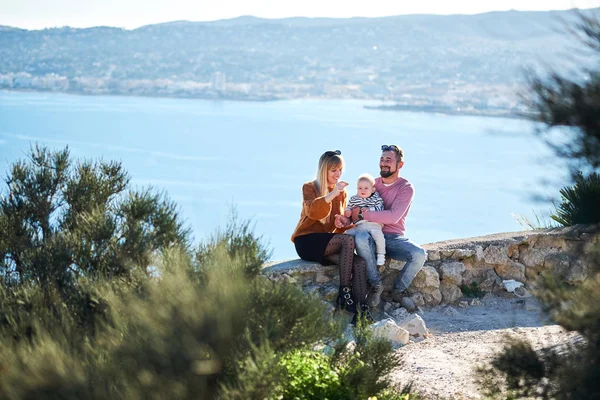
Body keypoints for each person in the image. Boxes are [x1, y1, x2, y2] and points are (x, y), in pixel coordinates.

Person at [335, 145, 427, 310]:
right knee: (361, 237)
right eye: (382, 159)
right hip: (368, 235)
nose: (384, 163)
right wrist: (345, 221)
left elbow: (393, 216)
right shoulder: (371, 184)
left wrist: (363, 214)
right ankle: (376, 285)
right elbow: (356, 212)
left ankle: (398, 291)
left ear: (400, 165)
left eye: (389, 160)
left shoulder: (405, 188)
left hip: (392, 238)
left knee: (419, 254)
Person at [291, 149, 371, 322]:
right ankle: (344, 292)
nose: (338, 174)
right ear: (324, 170)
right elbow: (313, 212)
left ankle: (361, 312)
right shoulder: (310, 187)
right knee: (348, 240)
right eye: (334, 170)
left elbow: (337, 229)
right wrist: (332, 193)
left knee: (359, 263)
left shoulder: (342, 193)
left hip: (327, 243)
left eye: (340, 169)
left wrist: (341, 223)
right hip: (306, 241)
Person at [343, 173, 386, 266]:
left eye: (366, 188)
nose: (363, 190)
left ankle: (381, 254)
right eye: (360, 188)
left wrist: (369, 210)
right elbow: (349, 207)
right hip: (359, 226)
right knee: (347, 234)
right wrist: (347, 212)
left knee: (379, 237)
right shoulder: (354, 199)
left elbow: (380, 209)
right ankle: (346, 254)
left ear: (373, 189)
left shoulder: (376, 199)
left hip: (373, 225)